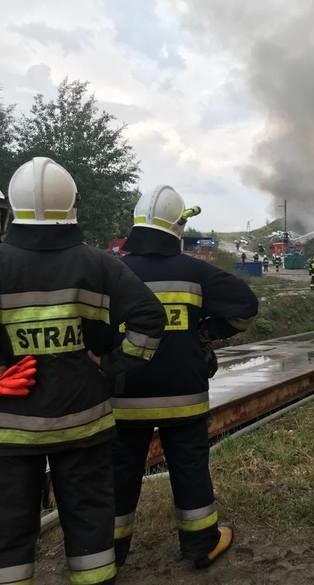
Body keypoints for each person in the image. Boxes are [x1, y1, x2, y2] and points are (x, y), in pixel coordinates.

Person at [0, 157, 165, 585]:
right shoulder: (99, 265)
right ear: (72, 206)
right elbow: (149, 316)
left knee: (7, 530)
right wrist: (114, 367)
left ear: (12, 208)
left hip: (10, 431)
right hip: (85, 425)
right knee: (91, 522)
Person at [111, 186, 259, 570]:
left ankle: (108, 552)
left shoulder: (110, 271)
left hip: (124, 396)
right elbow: (245, 307)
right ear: (178, 228)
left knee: (118, 470)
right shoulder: (195, 272)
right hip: (183, 397)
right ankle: (200, 545)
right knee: (189, 466)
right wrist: (207, 332)